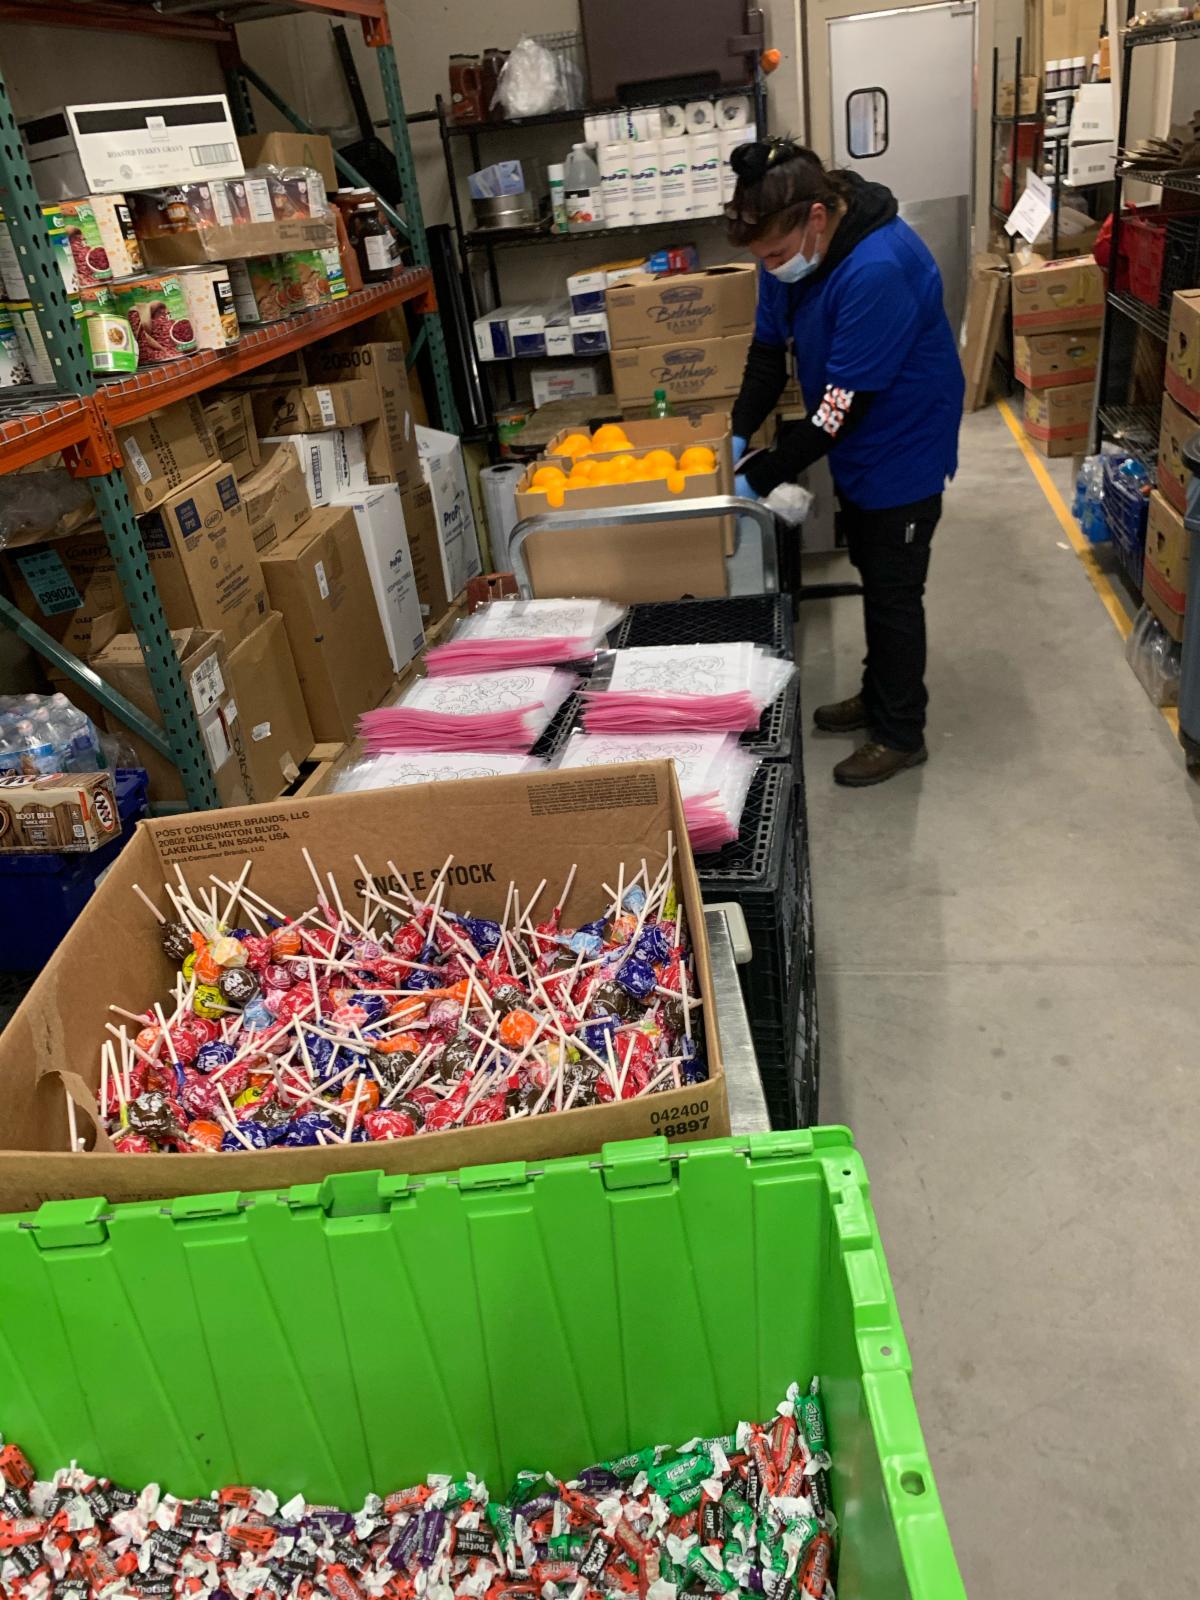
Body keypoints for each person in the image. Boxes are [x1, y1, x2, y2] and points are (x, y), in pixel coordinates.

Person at [726, 138, 964, 787]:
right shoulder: (788, 252)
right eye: (762, 258)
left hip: (905, 440)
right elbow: (767, 356)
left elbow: (840, 409)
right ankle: (879, 690)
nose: (771, 267)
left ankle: (900, 732)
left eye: (776, 255)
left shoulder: (879, 267)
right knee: (869, 564)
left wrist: (762, 473)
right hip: (857, 439)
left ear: (817, 217)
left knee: (893, 589)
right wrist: (737, 434)